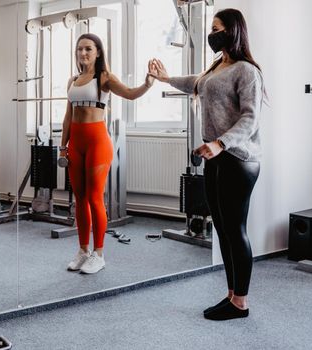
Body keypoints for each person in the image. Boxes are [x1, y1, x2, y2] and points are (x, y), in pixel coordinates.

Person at [150, 8, 265, 320]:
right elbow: (195, 83)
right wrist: (165, 78)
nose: (212, 34)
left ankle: (241, 301)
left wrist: (220, 143)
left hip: (238, 160)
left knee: (235, 230)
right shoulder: (218, 67)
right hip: (216, 158)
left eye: (216, 28)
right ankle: (232, 295)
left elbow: (251, 118)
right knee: (223, 231)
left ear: (232, 31)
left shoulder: (246, 71)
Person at [61, 33, 155, 274]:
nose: (83, 53)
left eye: (88, 49)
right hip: (76, 143)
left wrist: (147, 83)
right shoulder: (73, 80)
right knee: (79, 198)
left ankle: (99, 254)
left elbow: (130, 94)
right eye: (80, 49)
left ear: (98, 52)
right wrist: (63, 146)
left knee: (94, 197)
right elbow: (68, 117)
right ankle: (83, 251)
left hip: (97, 142)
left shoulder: (104, 77)